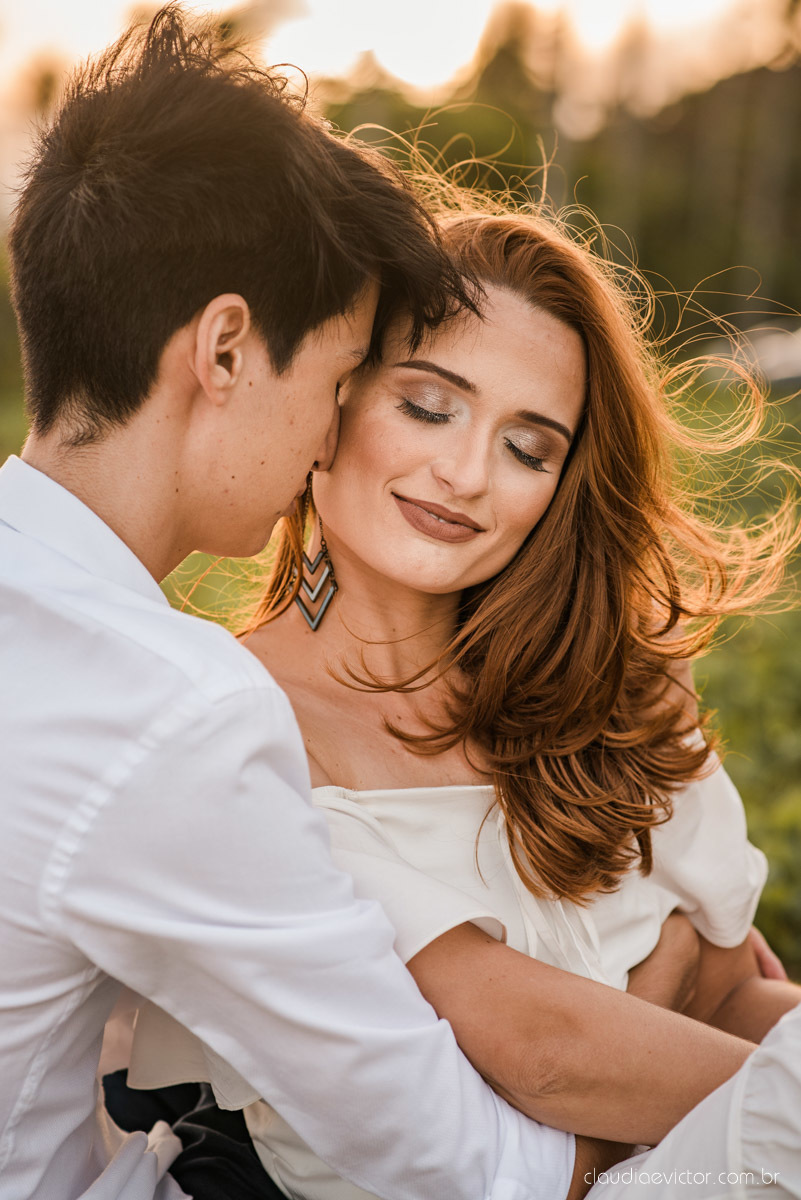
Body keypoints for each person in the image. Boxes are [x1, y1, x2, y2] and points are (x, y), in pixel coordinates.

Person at [0, 10, 637, 1199]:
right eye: (346, 377)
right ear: (227, 351)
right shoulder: (171, 707)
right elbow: (451, 1159)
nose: (331, 430)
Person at [127, 209, 801, 1199]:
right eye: (429, 405)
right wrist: (758, 1105)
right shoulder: (236, 722)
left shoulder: (621, 683)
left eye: (530, 448)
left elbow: (730, 986)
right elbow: (539, 1055)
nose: (469, 475)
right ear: (332, 405)